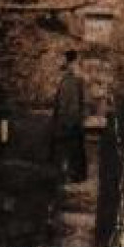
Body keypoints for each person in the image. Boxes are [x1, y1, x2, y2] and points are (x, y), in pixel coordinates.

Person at [51, 49, 87, 182]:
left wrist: (70, 120)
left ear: (68, 61)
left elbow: (73, 101)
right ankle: (70, 174)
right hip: (68, 118)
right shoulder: (68, 78)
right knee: (69, 148)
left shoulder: (73, 78)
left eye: (62, 59)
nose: (60, 62)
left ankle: (72, 175)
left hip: (70, 120)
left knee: (71, 148)